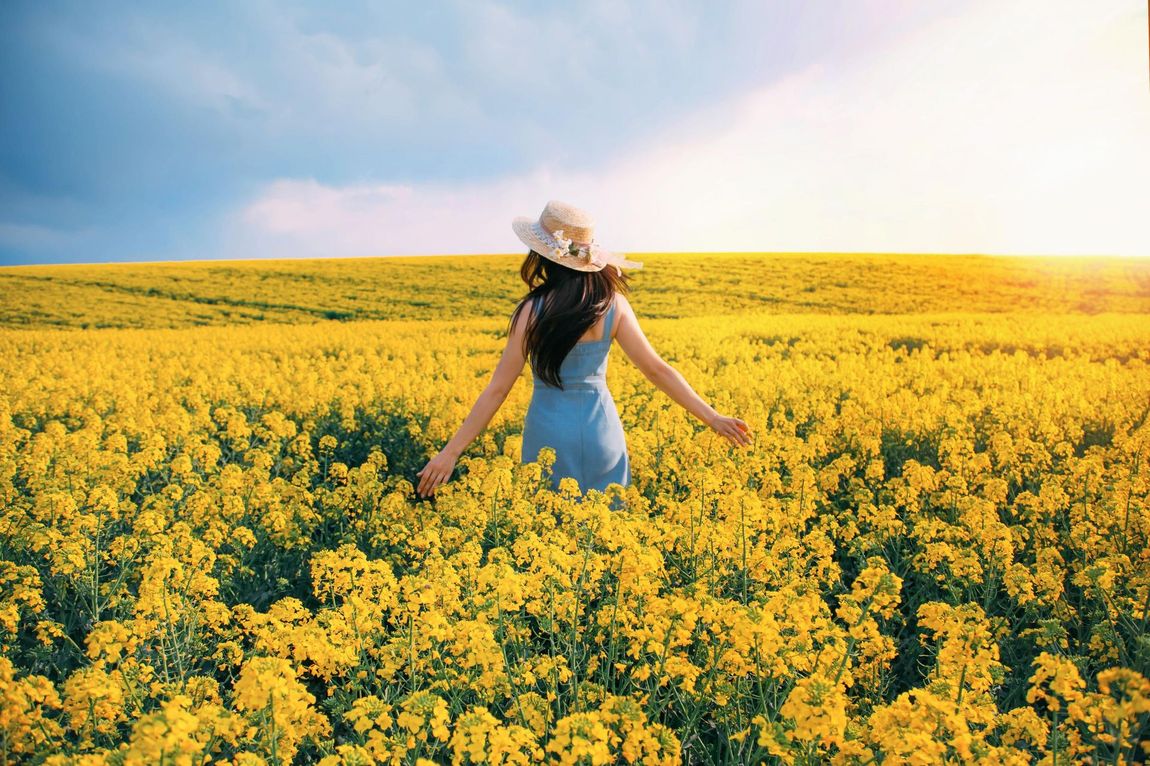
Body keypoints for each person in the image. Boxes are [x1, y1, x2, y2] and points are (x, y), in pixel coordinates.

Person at [415, 200, 752, 500]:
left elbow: (498, 389)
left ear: (542, 255)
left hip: (548, 434)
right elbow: (656, 370)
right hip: (601, 431)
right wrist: (712, 417)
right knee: (605, 534)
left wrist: (451, 452)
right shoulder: (612, 305)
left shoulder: (531, 312)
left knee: (549, 539)